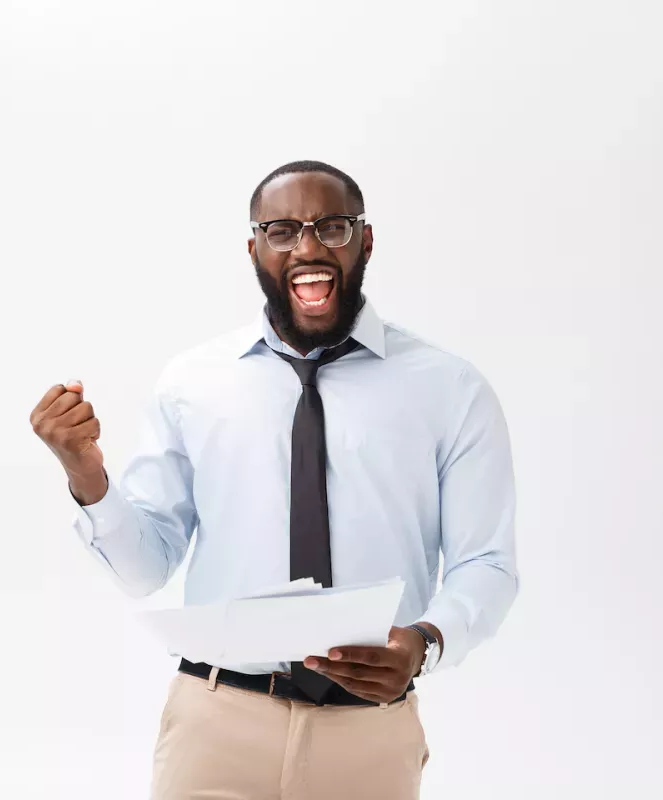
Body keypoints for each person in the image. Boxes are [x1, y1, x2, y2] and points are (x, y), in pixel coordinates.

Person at [30, 160, 519, 799]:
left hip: (367, 734)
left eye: (333, 228)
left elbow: (487, 563)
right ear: (255, 249)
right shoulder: (193, 382)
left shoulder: (450, 389)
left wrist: (425, 642)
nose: (309, 247)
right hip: (217, 723)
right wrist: (86, 474)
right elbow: (146, 569)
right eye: (283, 230)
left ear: (365, 242)